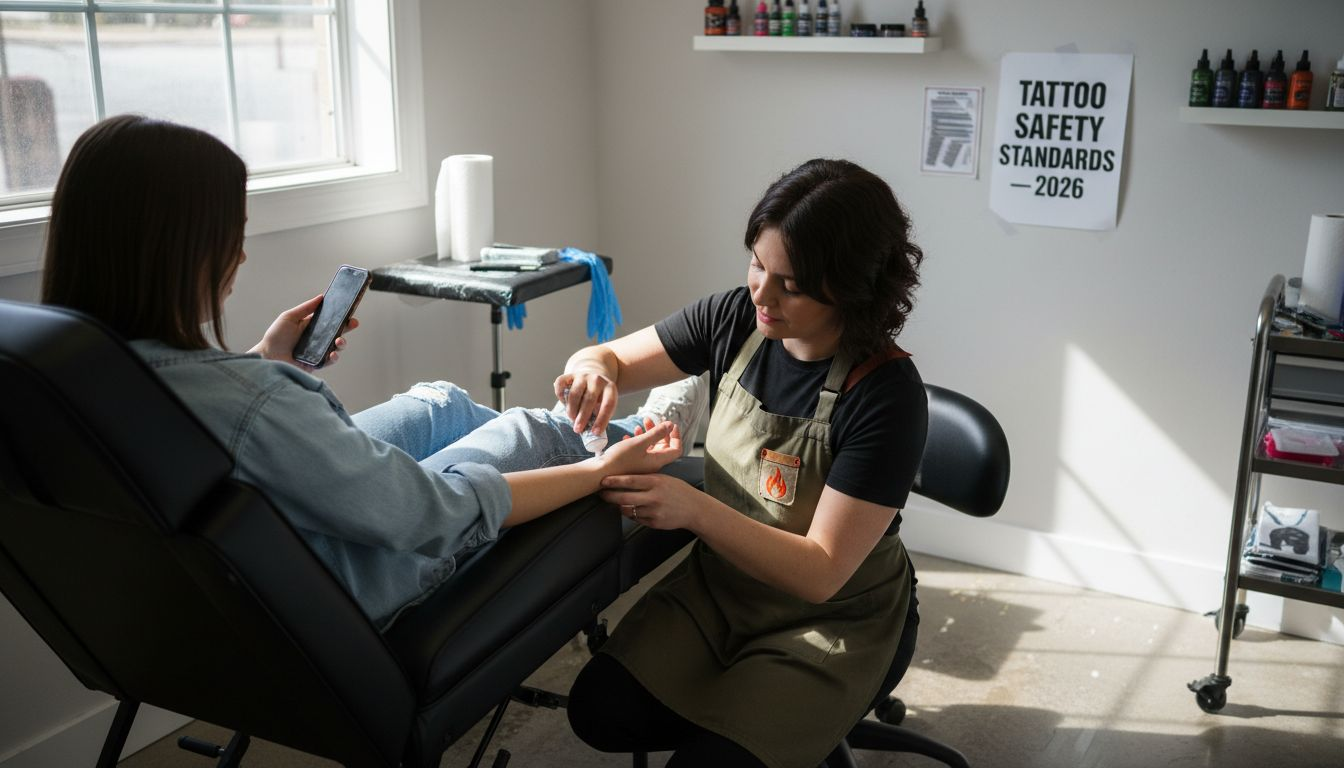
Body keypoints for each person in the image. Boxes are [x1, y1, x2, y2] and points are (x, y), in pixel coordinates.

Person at [39, 114, 706, 630]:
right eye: (231, 235)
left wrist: (265, 361)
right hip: (346, 577)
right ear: (180, 254)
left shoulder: (64, 373)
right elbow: (427, 516)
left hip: (247, 559)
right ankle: (635, 447)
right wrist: (590, 478)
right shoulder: (251, 405)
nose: (240, 254)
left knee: (439, 404)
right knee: (531, 434)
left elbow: (205, 426)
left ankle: (614, 433)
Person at [560, 158, 929, 768]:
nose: (762, 293)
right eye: (758, 263)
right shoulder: (735, 320)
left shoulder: (885, 395)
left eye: (793, 283)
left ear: (852, 287)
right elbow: (609, 357)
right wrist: (594, 371)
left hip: (834, 618)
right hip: (724, 590)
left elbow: (821, 573)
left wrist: (692, 510)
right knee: (600, 710)